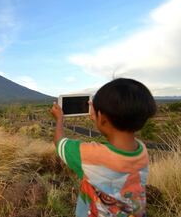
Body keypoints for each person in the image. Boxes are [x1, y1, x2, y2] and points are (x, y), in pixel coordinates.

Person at [50, 78, 156, 217]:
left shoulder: (89, 155)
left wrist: (59, 120)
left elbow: (60, 142)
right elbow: (116, 135)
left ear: (102, 117)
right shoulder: (141, 151)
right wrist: (101, 119)